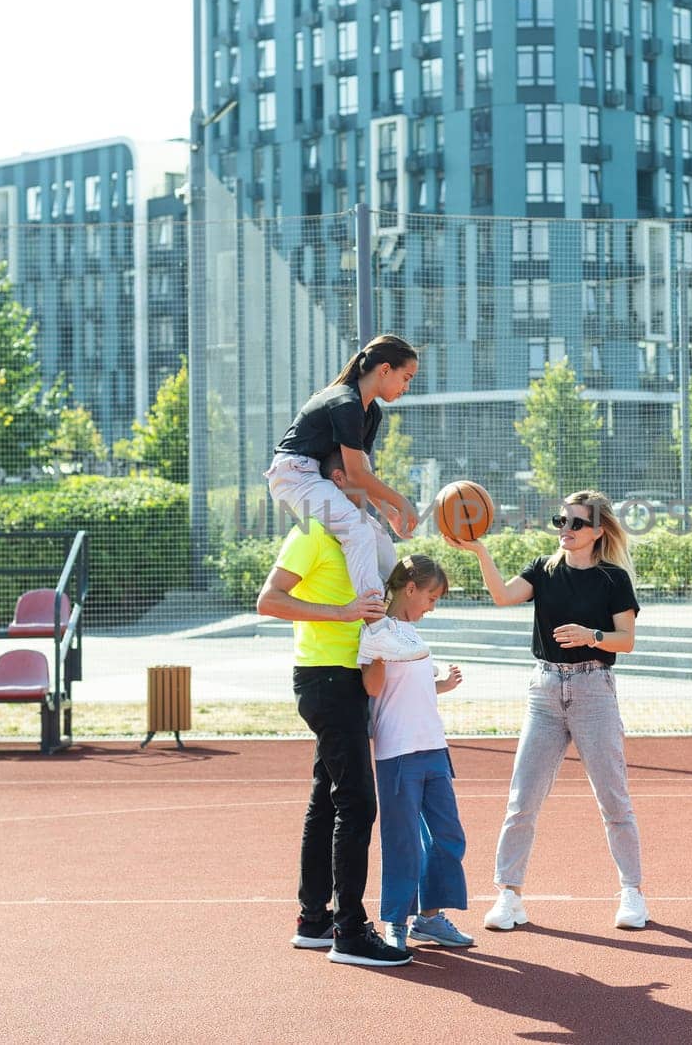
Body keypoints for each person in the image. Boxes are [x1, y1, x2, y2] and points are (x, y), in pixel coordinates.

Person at [447, 489, 648, 931]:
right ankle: (508, 896)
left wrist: (590, 635)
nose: (566, 530)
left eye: (576, 524)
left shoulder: (613, 579)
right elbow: (501, 596)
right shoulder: (543, 569)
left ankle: (632, 892)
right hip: (544, 690)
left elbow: (626, 641)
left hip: (593, 689)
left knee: (613, 800)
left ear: (597, 531)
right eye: (562, 521)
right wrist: (481, 551)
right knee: (522, 801)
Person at [255, 450, 411, 968]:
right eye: (363, 473)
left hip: (345, 677)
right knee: (357, 804)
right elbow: (269, 600)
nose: (374, 481)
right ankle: (350, 930)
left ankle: (314, 919)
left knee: (327, 799)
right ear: (337, 478)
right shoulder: (311, 532)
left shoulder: (360, 535)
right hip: (325, 679)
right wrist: (342, 613)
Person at [266, 333, 423, 664]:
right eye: (405, 378)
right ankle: (377, 630)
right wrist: (401, 503)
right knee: (357, 527)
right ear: (384, 369)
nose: (406, 387)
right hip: (294, 474)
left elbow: (359, 470)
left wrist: (387, 513)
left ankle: (390, 627)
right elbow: (353, 474)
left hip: (318, 477)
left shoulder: (370, 413)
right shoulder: (345, 401)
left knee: (377, 536)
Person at [360, 554, 474, 952]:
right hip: (399, 753)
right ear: (410, 588)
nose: (433, 605)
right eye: (432, 596)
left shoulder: (411, 634)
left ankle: (430, 919)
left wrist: (441, 685)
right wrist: (373, 653)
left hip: (433, 749)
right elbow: (375, 689)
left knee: (447, 836)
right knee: (403, 840)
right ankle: (396, 920)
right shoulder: (378, 629)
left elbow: (411, 688)